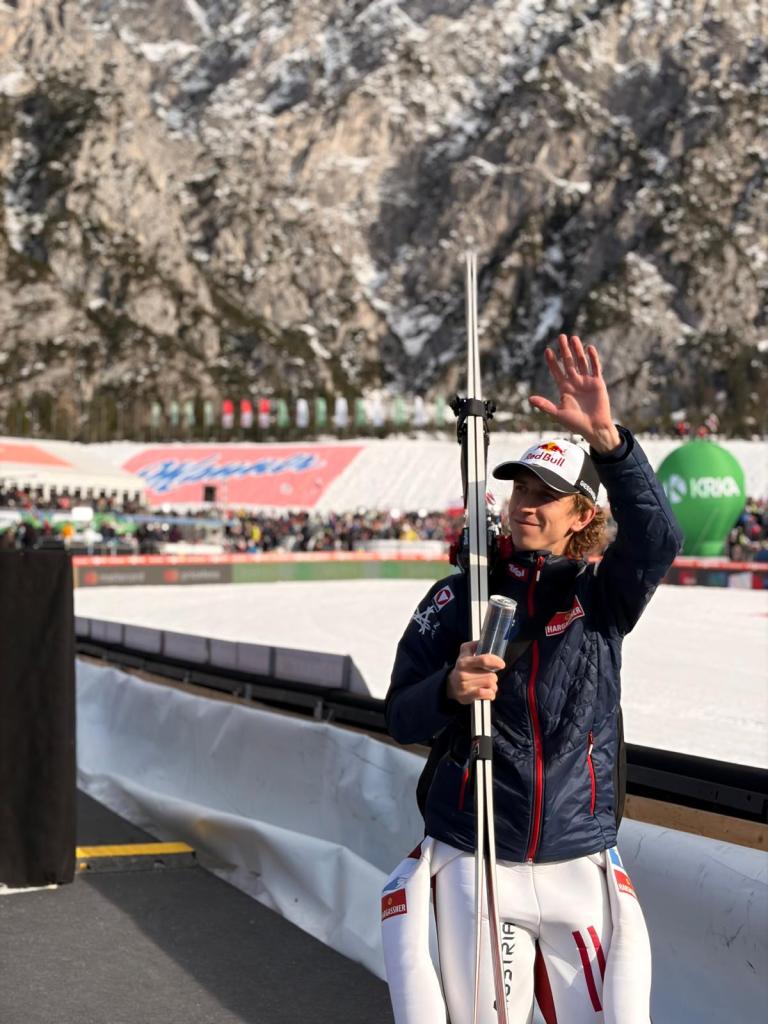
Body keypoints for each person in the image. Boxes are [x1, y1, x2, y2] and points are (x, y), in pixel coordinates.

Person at [381, 335, 683, 1024]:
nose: (528, 503)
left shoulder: (602, 596)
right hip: (478, 856)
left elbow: (659, 540)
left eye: (549, 494)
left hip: (578, 857)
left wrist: (609, 443)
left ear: (583, 515)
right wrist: (449, 691)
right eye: (521, 486)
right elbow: (399, 715)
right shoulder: (458, 595)